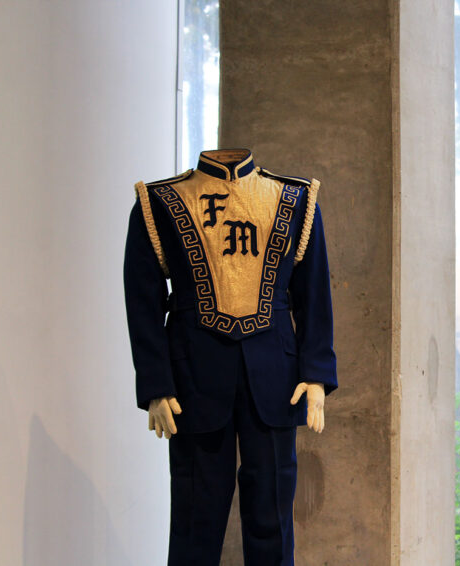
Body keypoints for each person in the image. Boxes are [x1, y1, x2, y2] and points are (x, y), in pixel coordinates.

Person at [123, 148, 337, 566]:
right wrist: (156, 384)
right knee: (193, 520)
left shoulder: (293, 198)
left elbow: (313, 294)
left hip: (276, 379)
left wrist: (315, 374)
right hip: (192, 378)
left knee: (272, 518)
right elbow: (143, 300)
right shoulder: (161, 201)